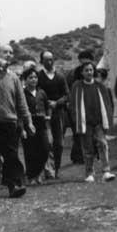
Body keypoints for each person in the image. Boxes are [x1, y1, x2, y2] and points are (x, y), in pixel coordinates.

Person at [0, 44, 34, 198]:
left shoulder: (14, 77)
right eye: (5, 52)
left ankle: (15, 185)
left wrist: (28, 121)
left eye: (11, 52)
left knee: (11, 155)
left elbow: (21, 101)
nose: (9, 55)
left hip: (9, 120)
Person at [70, 61, 116, 183]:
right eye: (86, 70)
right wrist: (76, 120)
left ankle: (106, 171)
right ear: (82, 72)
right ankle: (89, 172)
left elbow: (106, 104)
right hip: (85, 122)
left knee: (103, 144)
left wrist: (107, 120)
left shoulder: (100, 86)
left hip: (98, 122)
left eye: (91, 70)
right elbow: (74, 105)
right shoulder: (77, 86)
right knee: (87, 148)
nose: (89, 72)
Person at [36, 50, 69, 180]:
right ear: (42, 62)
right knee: (47, 143)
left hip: (58, 113)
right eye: (46, 60)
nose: (49, 62)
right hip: (44, 115)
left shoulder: (60, 77)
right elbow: (36, 93)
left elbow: (67, 95)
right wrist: (44, 103)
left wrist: (57, 103)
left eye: (51, 59)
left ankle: (57, 169)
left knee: (59, 144)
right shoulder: (38, 77)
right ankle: (48, 170)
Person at [22, 67, 51, 185]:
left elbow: (47, 106)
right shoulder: (22, 93)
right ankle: (31, 176)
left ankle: (38, 172)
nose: (33, 80)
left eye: (35, 77)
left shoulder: (42, 92)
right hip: (29, 125)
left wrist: (48, 116)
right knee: (30, 152)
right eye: (30, 78)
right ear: (25, 80)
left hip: (42, 124)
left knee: (45, 149)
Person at [66, 50, 95, 165]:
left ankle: (80, 156)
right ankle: (78, 157)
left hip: (87, 106)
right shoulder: (74, 74)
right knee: (79, 133)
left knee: (84, 133)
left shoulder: (90, 72)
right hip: (77, 106)